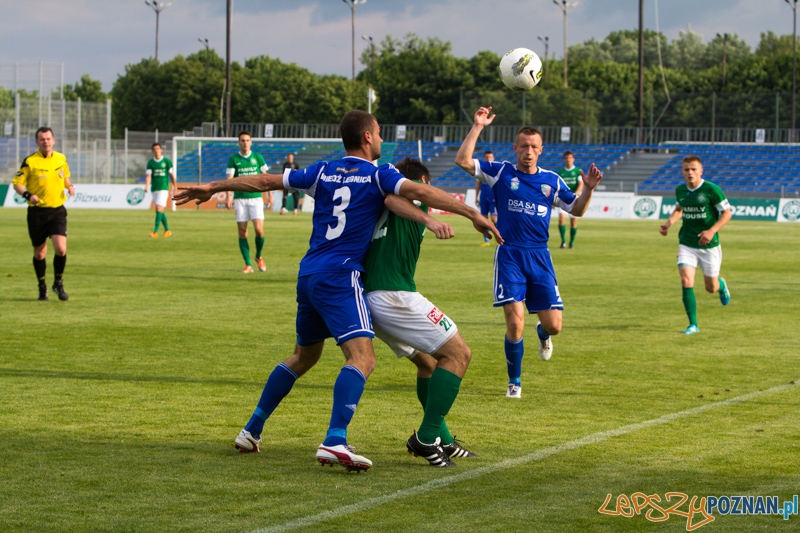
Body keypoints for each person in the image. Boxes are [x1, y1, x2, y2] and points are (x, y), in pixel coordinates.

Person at [174, 109, 500, 472]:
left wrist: (213, 186)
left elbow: (266, 182)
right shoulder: (378, 174)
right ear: (366, 137)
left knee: (303, 356)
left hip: (310, 272)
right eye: (378, 134)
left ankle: (251, 430)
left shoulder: (321, 170)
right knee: (363, 359)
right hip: (342, 276)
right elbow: (420, 190)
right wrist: (472, 213)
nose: (380, 139)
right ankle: (335, 440)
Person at [455, 106, 602, 398]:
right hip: (509, 254)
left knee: (554, 326)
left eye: (534, 147)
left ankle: (543, 333)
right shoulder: (500, 172)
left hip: (540, 256)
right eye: (524, 146)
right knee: (514, 320)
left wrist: (588, 189)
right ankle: (515, 381)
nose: (529, 151)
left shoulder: (551, 181)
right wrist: (478, 126)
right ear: (515, 148)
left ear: (541, 149)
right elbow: (462, 160)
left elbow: (578, 210)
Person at [363, 157, 476, 467]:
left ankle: (445, 439)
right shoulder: (408, 198)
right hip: (394, 296)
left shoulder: (382, 203)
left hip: (372, 300)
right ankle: (425, 438)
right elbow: (396, 196)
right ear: (420, 183)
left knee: (427, 363)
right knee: (459, 354)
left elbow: (389, 198)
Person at [659, 155, 732, 335]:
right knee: (686, 280)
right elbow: (679, 209)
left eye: (693, 169)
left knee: (711, 288)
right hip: (687, 243)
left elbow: (727, 213)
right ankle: (693, 325)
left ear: (701, 171)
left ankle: (721, 285)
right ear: (682, 172)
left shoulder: (711, 189)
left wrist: (712, 230)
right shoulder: (680, 190)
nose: (690, 172)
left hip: (709, 246)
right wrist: (668, 224)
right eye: (686, 169)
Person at [12, 126, 75, 301]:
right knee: (40, 253)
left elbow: (65, 177)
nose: (46, 142)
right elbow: (17, 184)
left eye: (48, 139)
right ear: (37, 142)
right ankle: (42, 286)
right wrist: (27, 195)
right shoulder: (29, 161)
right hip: (37, 213)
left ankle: (58, 283)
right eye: (42, 139)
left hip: (57, 211)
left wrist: (69, 186)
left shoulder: (61, 158)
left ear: (53, 140)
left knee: (61, 249)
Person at [225, 131, 272, 273]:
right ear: (238, 142)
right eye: (242, 140)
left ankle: (258, 256)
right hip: (240, 199)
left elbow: (266, 178)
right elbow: (230, 179)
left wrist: (270, 195)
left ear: (251, 142)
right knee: (242, 231)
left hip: (256, 198)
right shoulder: (234, 159)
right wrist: (228, 196)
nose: (245, 143)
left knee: (259, 230)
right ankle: (248, 264)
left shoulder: (258, 157)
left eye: (247, 140)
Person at [144, 143, 177, 238]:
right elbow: (149, 176)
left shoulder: (166, 161)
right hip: (154, 188)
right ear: (152, 151)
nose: (156, 150)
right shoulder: (150, 163)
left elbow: (172, 175)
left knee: (159, 208)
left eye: (158, 148)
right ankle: (167, 230)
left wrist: (175, 187)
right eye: (154, 149)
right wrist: (146, 186)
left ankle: (155, 232)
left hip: (163, 188)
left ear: (161, 150)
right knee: (160, 210)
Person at [555, 151, 584, 249]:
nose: (568, 160)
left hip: (574, 200)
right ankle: (563, 241)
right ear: (564, 159)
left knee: (573, 222)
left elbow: (581, 184)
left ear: (573, 159)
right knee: (561, 219)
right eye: (566, 158)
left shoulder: (577, 171)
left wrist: (575, 195)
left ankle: (571, 242)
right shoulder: (560, 173)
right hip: (563, 199)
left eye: (570, 158)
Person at [475, 150, 498, 247]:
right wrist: (476, 197)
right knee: (483, 219)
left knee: (494, 219)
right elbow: (478, 184)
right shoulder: (481, 170)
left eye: (490, 157)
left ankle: (497, 238)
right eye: (487, 157)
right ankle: (486, 241)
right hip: (483, 197)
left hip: (493, 198)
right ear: (484, 158)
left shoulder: (497, 170)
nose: (488, 159)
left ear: (493, 158)